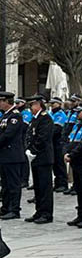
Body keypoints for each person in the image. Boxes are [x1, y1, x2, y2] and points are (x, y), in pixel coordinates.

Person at [24, 96, 55, 224]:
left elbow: (43, 138)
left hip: (43, 157)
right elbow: (29, 135)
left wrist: (33, 150)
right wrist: (28, 148)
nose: (30, 108)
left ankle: (46, 213)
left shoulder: (45, 118)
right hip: (36, 158)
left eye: (32, 105)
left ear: (38, 105)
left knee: (45, 187)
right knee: (38, 187)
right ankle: (39, 211)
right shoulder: (35, 119)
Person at [0, 91, 28, 220]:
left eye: (1, 101)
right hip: (4, 155)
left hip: (12, 155)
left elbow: (8, 134)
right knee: (5, 184)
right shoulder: (6, 115)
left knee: (13, 184)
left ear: (6, 102)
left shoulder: (15, 116)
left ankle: (14, 209)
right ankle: (6, 207)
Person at [50, 97, 69, 194]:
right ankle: (57, 182)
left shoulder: (61, 115)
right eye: (51, 103)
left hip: (58, 142)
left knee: (60, 163)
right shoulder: (51, 113)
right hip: (52, 142)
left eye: (53, 103)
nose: (51, 105)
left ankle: (63, 183)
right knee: (55, 164)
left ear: (59, 104)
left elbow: (56, 129)